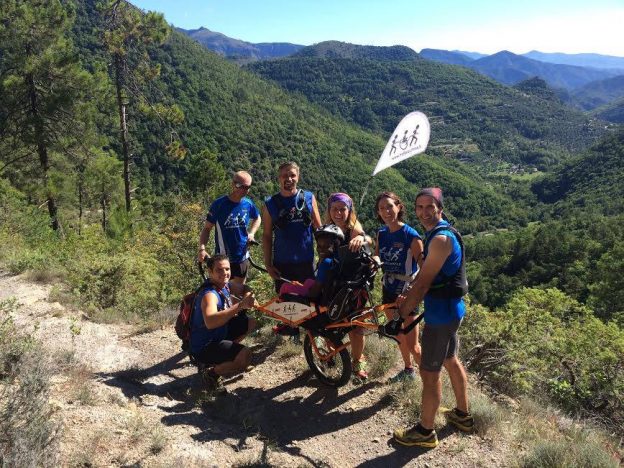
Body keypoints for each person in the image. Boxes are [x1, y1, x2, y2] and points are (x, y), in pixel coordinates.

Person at [391, 187, 472, 448]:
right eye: (419, 207)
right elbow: (428, 276)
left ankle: (425, 432)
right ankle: (462, 414)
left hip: (440, 316)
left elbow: (424, 283)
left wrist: (402, 313)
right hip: (451, 311)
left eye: (430, 207)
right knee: (450, 359)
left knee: (429, 373)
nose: (424, 212)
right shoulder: (443, 232)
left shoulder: (440, 239)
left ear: (440, 208)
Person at [190, 254, 257, 393]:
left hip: (218, 334)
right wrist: (239, 306)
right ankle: (211, 374)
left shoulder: (225, 285)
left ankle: (225, 359)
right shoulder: (210, 295)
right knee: (245, 357)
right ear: (210, 272)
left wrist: (247, 297)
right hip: (204, 345)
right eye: (219, 270)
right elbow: (211, 322)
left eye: (227, 269)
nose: (225, 273)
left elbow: (245, 287)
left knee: (250, 322)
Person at [375, 191, 423, 383]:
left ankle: (429, 380)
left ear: (399, 207)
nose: (386, 211)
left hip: (407, 292)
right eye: (381, 208)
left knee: (414, 345)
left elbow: (424, 266)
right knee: (397, 333)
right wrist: (373, 261)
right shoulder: (381, 233)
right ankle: (408, 369)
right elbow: (378, 255)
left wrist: (412, 291)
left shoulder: (410, 235)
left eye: (389, 206)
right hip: (388, 289)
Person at [325, 192, 371, 380]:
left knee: (356, 326)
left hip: (354, 286)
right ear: (329, 210)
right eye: (334, 209)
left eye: (343, 209)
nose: (338, 212)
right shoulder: (326, 229)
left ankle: (357, 361)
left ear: (349, 210)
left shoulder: (353, 229)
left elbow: (366, 239)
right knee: (330, 322)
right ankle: (331, 352)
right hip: (333, 283)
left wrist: (363, 239)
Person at [198, 171, 261, 284]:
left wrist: (252, 233)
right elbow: (207, 228)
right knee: (223, 293)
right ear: (233, 184)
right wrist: (202, 249)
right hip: (222, 259)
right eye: (239, 186)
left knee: (238, 292)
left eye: (247, 187)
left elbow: (257, 218)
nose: (243, 190)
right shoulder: (219, 204)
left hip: (242, 257)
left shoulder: (248, 204)